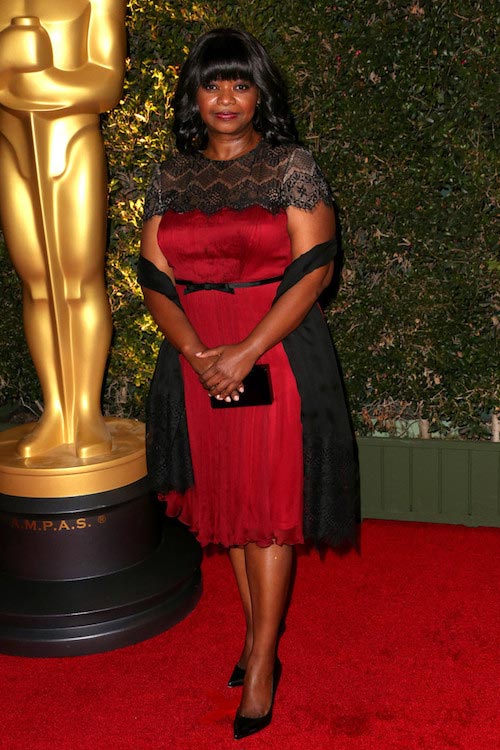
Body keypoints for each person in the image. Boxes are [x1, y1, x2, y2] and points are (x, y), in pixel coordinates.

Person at [139, 28, 359, 740]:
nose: (226, 98)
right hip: (197, 350)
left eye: (239, 83)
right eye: (212, 83)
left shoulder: (290, 166)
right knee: (230, 502)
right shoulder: (170, 176)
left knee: (266, 509)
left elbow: (314, 267)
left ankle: (263, 661)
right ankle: (254, 637)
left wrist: (245, 350)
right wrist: (200, 353)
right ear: (193, 97)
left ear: (260, 92)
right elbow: (154, 277)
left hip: (275, 348)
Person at [0, 1, 125, 459]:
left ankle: (85, 411)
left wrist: (43, 82)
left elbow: (105, 81)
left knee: (77, 279)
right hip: (13, 149)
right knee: (35, 283)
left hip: (71, 146)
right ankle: (56, 408)